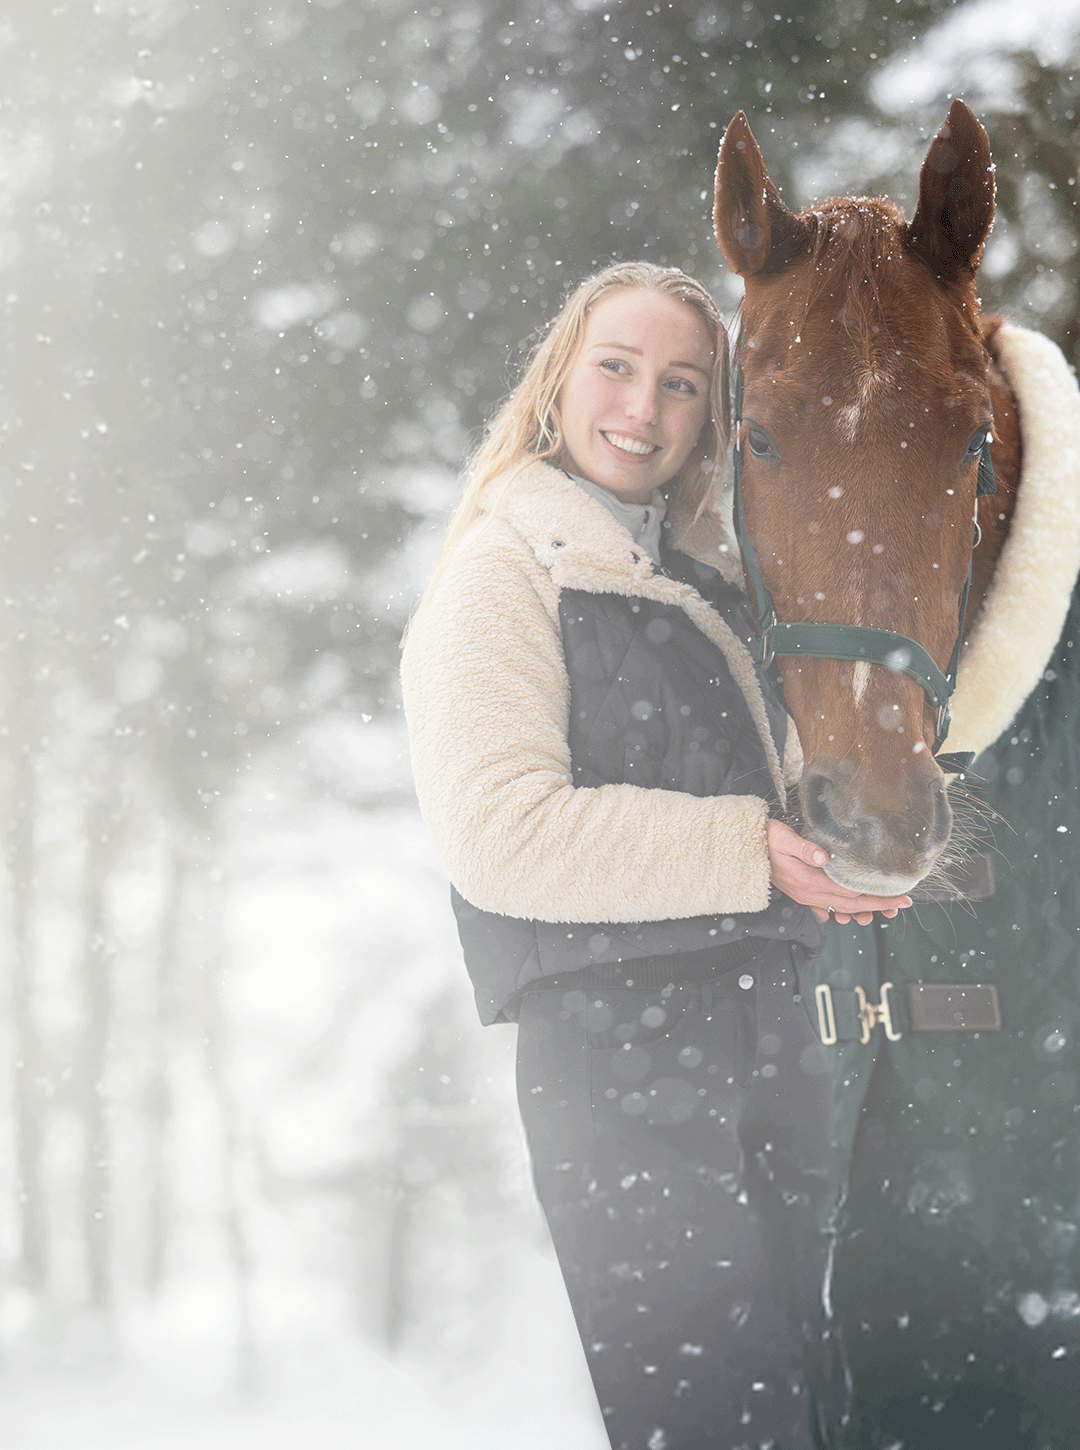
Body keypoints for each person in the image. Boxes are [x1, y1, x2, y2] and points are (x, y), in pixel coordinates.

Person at [401, 261, 910, 1450]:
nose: (644, 410)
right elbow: (501, 835)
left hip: (768, 1041)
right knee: (714, 1419)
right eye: (617, 369)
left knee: (801, 1406)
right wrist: (753, 851)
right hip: (616, 1062)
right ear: (558, 381)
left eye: (683, 385)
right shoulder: (505, 568)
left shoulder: (706, 589)